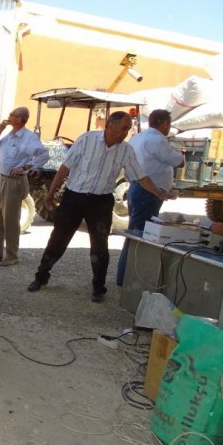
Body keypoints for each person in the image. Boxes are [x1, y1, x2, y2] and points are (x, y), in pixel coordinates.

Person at [27, 111, 170, 303]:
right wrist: (50, 195)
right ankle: (41, 277)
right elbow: (65, 167)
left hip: (101, 203)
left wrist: (159, 192)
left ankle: (98, 287)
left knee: (100, 247)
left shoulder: (125, 150)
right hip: (74, 198)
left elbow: (140, 176)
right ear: (109, 126)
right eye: (123, 128)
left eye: (128, 129)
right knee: (58, 241)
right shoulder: (86, 140)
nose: (126, 133)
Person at [116, 109, 185, 285]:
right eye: (168, 125)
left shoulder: (139, 137)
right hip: (148, 192)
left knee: (136, 232)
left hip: (138, 189)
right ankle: (126, 278)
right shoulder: (157, 140)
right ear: (164, 124)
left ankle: (125, 276)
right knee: (139, 235)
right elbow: (178, 161)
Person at [0, 107, 48, 266]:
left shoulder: (28, 138)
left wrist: (26, 167)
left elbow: (43, 154)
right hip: (3, 180)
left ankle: (11, 255)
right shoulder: (10, 136)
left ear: (19, 119)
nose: (9, 117)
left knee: (10, 220)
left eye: (12, 115)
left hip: (15, 181)